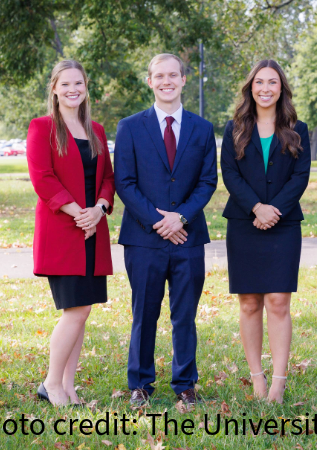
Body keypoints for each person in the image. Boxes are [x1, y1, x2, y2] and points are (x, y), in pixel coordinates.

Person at [114, 53, 217, 406]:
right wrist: (160, 221)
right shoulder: (130, 127)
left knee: (184, 315)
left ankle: (185, 385)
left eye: (173, 75)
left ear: (184, 80)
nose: (167, 81)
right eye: (160, 76)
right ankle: (140, 385)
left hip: (188, 237)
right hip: (143, 238)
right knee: (144, 312)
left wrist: (181, 218)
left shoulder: (202, 129)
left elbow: (207, 182)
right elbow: (124, 183)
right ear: (150, 81)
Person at [221, 60, 311, 404]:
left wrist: (274, 210)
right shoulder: (234, 129)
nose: (265, 88)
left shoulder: (298, 128)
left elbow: (300, 176)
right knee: (248, 303)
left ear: (281, 88)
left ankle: (278, 381)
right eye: (259, 82)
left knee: (278, 301)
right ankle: (257, 378)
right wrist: (256, 207)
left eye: (272, 82)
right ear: (251, 87)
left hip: (284, 223)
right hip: (244, 223)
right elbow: (229, 173)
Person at [27, 60, 115, 406]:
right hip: (62, 231)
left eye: (78, 83)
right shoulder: (42, 127)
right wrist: (77, 211)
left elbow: (107, 177)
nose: (72, 89)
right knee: (74, 311)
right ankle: (50, 383)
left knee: (83, 309)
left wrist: (99, 208)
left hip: (92, 230)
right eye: (65, 84)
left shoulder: (96, 130)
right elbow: (42, 177)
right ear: (54, 88)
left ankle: (68, 385)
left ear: (86, 86)